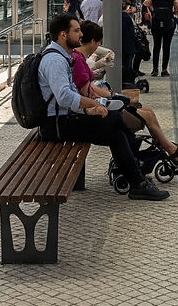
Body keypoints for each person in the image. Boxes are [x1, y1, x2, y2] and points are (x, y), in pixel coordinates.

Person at [38, 13, 168, 201]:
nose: (80, 35)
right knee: (114, 120)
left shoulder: (61, 56)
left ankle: (137, 180)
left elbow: (71, 94)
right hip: (56, 125)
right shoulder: (55, 60)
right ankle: (137, 174)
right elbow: (64, 96)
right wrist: (92, 105)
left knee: (115, 131)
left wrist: (88, 108)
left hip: (63, 119)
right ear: (63, 35)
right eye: (76, 31)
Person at [74, 21, 178, 167]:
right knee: (146, 115)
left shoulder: (79, 58)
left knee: (148, 112)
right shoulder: (78, 60)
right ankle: (172, 151)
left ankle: (171, 149)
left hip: (101, 104)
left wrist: (115, 95)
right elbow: (85, 92)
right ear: (93, 41)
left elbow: (90, 88)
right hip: (98, 110)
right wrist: (115, 98)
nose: (98, 46)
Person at [145, 0, 178, 77]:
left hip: (156, 24)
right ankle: (164, 69)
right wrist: (174, 13)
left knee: (156, 46)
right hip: (168, 25)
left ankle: (155, 69)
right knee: (166, 47)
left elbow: (145, 3)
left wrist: (152, 10)